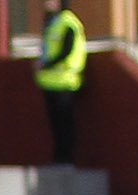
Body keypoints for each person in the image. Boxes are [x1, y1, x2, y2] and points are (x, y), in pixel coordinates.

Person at [37, 0, 86, 165]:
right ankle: (58, 158)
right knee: (55, 124)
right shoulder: (53, 22)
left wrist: (47, 64)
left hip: (65, 81)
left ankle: (66, 159)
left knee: (64, 123)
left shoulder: (68, 23)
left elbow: (67, 50)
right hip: (50, 81)